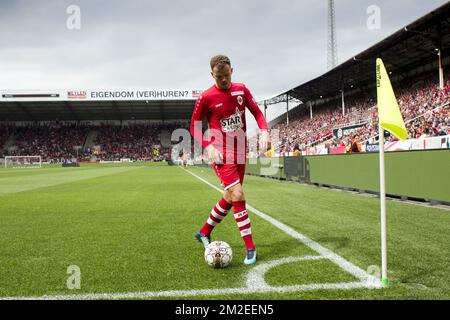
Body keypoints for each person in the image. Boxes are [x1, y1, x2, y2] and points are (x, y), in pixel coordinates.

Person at [190, 55, 269, 265]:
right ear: (211, 74)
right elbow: (194, 126)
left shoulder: (241, 89)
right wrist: (208, 147)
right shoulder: (205, 97)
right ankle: (250, 248)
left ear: (232, 71)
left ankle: (204, 231)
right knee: (238, 194)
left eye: (226, 76)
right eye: (218, 77)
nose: (223, 80)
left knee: (230, 195)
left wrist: (265, 132)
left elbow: (258, 113)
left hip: (240, 149)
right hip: (221, 152)